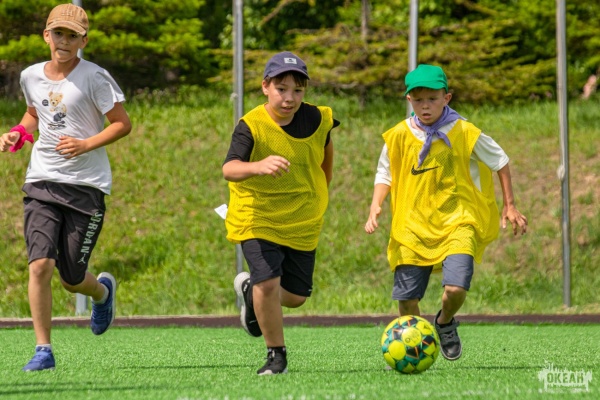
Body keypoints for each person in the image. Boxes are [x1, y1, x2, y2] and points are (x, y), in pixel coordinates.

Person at [364, 64, 527, 361]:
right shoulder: (399, 135)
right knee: (407, 299)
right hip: (411, 226)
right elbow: (385, 173)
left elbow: (500, 160)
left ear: (446, 98)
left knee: (455, 288)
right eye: (418, 99)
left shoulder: (464, 131)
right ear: (409, 100)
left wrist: (510, 204)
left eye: (432, 98)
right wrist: (376, 205)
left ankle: (445, 322)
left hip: (458, 221)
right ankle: (413, 351)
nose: (425, 106)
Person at [0, 3, 131, 371]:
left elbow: (122, 123)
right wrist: (19, 133)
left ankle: (102, 293)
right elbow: (34, 114)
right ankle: (43, 350)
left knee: (72, 279)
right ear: (47, 35)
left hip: (86, 187)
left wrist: (85, 144)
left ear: (83, 41)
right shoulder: (30, 76)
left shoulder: (95, 77)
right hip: (42, 180)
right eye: (58, 33)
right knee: (40, 264)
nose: (64, 41)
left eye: (72, 35)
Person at [223, 51, 339, 375]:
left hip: (301, 218)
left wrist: (319, 191)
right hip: (257, 215)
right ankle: (276, 356)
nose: (289, 98)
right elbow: (229, 169)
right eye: (281, 89)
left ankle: (252, 293)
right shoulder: (251, 126)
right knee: (269, 281)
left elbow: (325, 158)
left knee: (296, 297)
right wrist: (258, 166)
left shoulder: (316, 119)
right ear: (265, 87)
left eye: (297, 90)